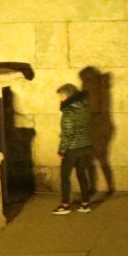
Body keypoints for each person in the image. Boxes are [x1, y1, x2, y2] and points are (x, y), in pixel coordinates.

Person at [55, 82, 94, 214]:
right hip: (86, 145)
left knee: (65, 177)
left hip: (72, 149)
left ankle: (65, 205)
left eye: (61, 96)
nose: (60, 99)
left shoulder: (68, 112)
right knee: (82, 174)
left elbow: (68, 134)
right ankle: (85, 203)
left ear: (67, 95)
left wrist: (61, 150)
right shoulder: (85, 107)